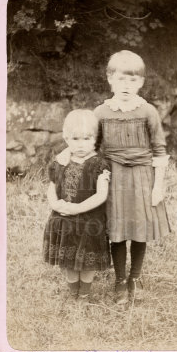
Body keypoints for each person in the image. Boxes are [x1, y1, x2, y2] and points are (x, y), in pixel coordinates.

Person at [57, 50, 170, 305]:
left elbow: (160, 150)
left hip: (142, 178)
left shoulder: (148, 111)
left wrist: (158, 185)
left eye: (133, 80)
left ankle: (135, 277)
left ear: (141, 82)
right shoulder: (102, 112)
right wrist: (65, 154)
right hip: (113, 177)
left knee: (139, 230)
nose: (127, 86)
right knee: (117, 231)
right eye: (121, 80)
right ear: (110, 79)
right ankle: (120, 281)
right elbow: (89, 142)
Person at [43, 109, 111, 304]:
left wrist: (77, 208)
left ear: (95, 139)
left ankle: (84, 294)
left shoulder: (99, 164)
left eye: (87, 138)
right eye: (75, 139)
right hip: (63, 220)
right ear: (66, 138)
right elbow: (52, 187)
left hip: (89, 222)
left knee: (87, 260)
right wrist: (55, 204)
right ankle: (73, 292)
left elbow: (101, 194)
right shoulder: (60, 162)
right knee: (68, 257)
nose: (81, 145)